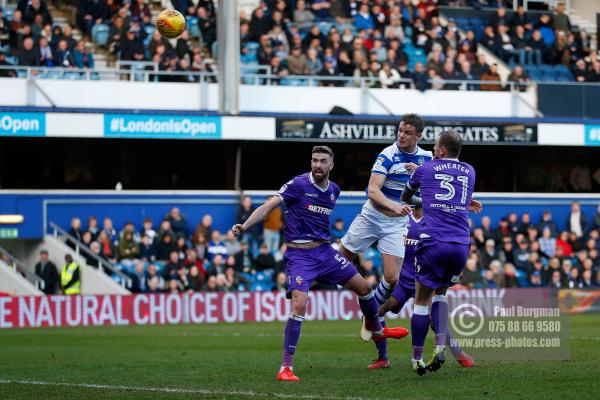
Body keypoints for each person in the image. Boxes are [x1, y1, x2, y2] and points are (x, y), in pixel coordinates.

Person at [231, 146, 409, 382]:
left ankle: (380, 344)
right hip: (300, 256)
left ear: (331, 165)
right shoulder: (297, 185)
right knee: (300, 303)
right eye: (314, 160)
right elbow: (268, 206)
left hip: (325, 253)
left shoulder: (334, 190)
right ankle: (286, 367)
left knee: (365, 289)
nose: (317, 165)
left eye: (322, 161)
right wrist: (245, 225)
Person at [337, 113, 431, 368]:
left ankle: (372, 317)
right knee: (337, 262)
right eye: (400, 130)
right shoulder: (388, 154)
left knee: (391, 278)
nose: (402, 135)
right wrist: (395, 204)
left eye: (408, 133)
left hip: (397, 224)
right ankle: (368, 308)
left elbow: (434, 195)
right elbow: (373, 190)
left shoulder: (427, 160)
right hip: (371, 216)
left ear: (419, 136)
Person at [400, 130, 481, 375]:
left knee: (421, 300)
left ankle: (417, 359)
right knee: (441, 295)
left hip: (433, 241)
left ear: (442, 150)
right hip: (461, 244)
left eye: (435, 147)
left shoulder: (425, 169)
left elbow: (407, 196)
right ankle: (439, 346)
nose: (433, 150)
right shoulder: (470, 170)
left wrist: (418, 176)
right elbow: (452, 195)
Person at [378, 206, 474, 368]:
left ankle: (457, 352)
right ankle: (383, 357)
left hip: (423, 280)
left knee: (432, 317)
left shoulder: (434, 220)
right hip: (403, 281)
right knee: (380, 310)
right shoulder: (402, 219)